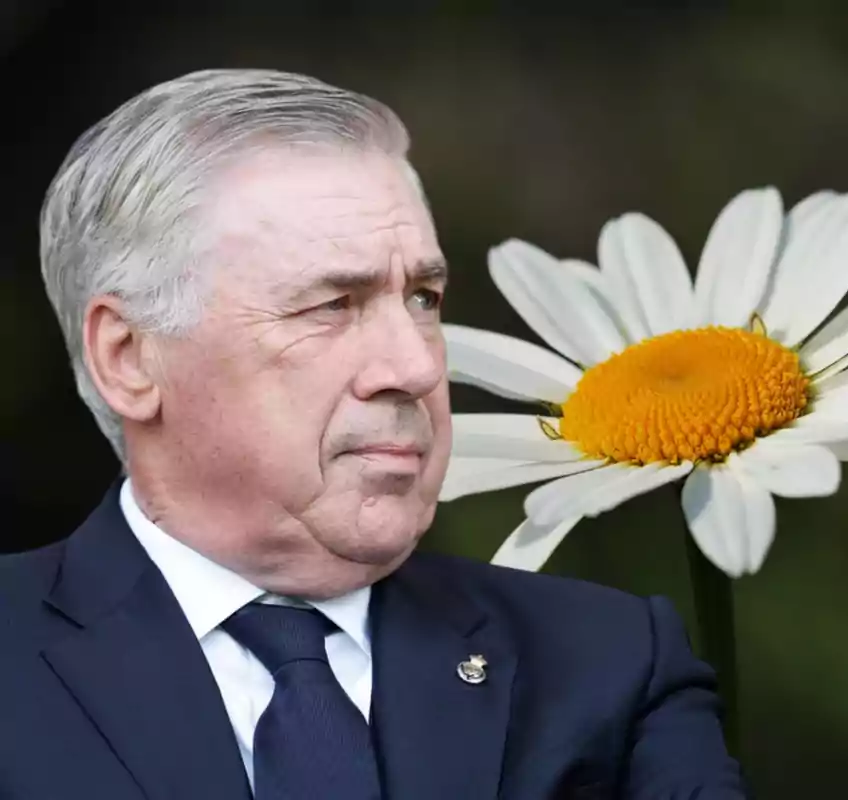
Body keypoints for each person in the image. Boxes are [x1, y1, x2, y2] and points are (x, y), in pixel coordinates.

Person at [0, 69, 748, 799]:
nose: (417, 364)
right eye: (330, 304)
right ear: (129, 358)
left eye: (424, 297)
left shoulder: (608, 662)